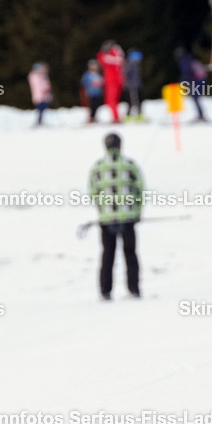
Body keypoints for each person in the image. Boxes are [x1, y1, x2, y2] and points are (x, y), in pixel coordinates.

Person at [88, 133, 143, 300]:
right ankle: (133, 289)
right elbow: (139, 189)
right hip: (128, 218)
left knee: (107, 255)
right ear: (120, 145)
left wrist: (103, 211)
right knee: (130, 254)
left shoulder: (97, 167)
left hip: (106, 219)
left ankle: (105, 291)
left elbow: (93, 192)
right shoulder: (130, 165)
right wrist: (137, 212)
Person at [175, 47, 208, 121]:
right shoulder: (189, 59)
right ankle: (200, 115)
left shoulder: (183, 61)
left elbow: (186, 73)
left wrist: (182, 81)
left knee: (195, 96)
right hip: (201, 79)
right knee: (195, 97)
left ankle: (201, 115)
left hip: (197, 80)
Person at [97, 40, 125, 123]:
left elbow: (101, 58)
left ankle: (116, 118)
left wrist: (102, 53)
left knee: (111, 100)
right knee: (112, 100)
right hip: (114, 80)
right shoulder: (117, 54)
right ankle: (116, 117)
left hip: (112, 81)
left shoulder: (112, 54)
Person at [27, 62, 53, 126]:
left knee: (43, 108)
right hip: (40, 95)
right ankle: (39, 121)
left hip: (45, 95)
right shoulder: (34, 76)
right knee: (40, 108)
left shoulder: (43, 76)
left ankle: (40, 121)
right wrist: (44, 89)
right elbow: (37, 86)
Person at [124, 49, 144, 121]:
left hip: (136, 85)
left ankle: (138, 114)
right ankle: (131, 115)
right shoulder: (129, 65)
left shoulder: (135, 65)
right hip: (132, 87)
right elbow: (127, 76)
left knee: (138, 100)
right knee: (133, 101)